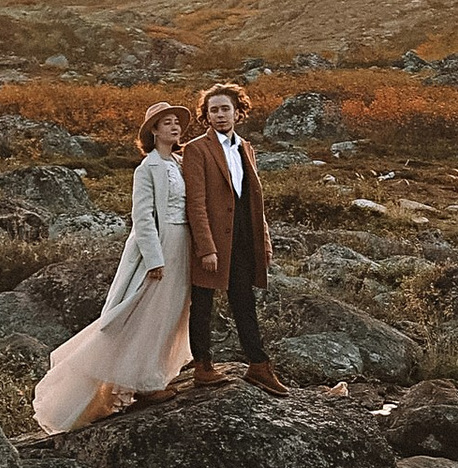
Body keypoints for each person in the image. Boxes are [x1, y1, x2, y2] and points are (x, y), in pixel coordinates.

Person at [31, 100, 195, 433]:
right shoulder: (146, 168)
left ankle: (155, 374)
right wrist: (154, 258)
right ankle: (141, 382)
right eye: (167, 123)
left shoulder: (179, 162)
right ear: (153, 131)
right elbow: (142, 217)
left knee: (171, 309)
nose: (175, 127)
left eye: (177, 122)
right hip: (162, 245)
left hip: (184, 243)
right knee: (143, 311)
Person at [179, 79, 284, 392]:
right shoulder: (196, 150)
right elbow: (195, 203)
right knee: (202, 302)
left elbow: (255, 202)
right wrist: (206, 248)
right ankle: (202, 365)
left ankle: (258, 364)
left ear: (239, 112)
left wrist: (263, 242)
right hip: (211, 239)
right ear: (206, 116)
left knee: (244, 300)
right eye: (213, 110)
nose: (220, 115)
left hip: (242, 237)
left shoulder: (246, 148)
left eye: (226, 109)